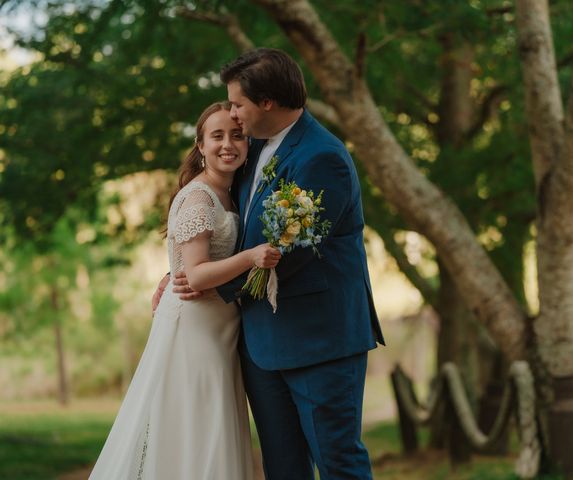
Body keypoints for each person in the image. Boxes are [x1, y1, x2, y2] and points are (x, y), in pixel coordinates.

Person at [156, 48, 385, 479]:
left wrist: (208, 285)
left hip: (319, 342)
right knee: (283, 469)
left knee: (338, 462)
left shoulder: (323, 158)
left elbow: (291, 254)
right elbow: (230, 231)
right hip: (260, 345)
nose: (234, 118)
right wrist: (184, 269)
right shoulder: (252, 150)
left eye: (238, 104)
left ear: (267, 103)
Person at [90, 101, 281, 480]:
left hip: (221, 328)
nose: (228, 144)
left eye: (237, 135)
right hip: (195, 330)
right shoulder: (198, 196)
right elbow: (194, 276)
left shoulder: (232, 191)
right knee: (196, 430)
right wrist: (250, 257)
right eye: (217, 136)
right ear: (200, 145)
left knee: (214, 428)